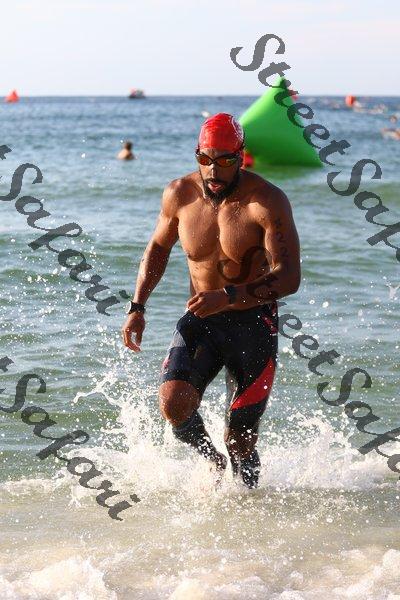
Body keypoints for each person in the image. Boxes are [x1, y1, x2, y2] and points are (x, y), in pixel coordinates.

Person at [122, 113, 301, 488]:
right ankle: (211, 458)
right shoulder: (179, 194)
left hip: (253, 323)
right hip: (202, 317)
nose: (214, 170)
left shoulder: (266, 201)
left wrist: (230, 295)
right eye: (205, 158)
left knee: (241, 439)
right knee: (173, 403)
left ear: (241, 156)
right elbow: (157, 248)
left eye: (224, 160)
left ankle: (249, 507)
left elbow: (289, 276)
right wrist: (137, 307)